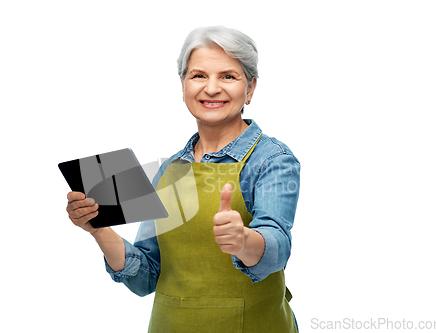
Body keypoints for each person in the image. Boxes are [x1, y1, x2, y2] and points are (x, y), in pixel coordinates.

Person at [66, 26, 301, 332]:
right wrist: (98, 228)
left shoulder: (271, 160)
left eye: (228, 76)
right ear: (183, 85)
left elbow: (277, 247)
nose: (212, 88)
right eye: (199, 75)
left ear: (251, 88)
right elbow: (146, 276)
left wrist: (244, 241)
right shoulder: (170, 170)